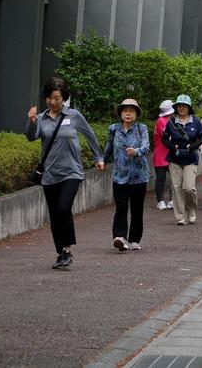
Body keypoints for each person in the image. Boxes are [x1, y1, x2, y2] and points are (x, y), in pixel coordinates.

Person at [25, 77, 105, 269]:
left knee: (63, 208)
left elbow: (90, 134)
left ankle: (67, 250)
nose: (53, 102)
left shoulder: (74, 115)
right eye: (50, 98)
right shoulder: (42, 118)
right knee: (54, 215)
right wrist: (31, 121)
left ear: (64, 98)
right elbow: (30, 137)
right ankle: (60, 252)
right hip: (50, 175)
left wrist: (98, 158)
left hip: (71, 173)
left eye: (57, 98)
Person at [104, 99, 150, 251]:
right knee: (121, 207)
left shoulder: (141, 128)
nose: (128, 113)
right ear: (120, 113)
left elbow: (146, 146)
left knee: (137, 209)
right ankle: (120, 237)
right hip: (120, 175)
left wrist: (136, 151)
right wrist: (102, 161)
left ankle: (135, 239)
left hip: (139, 176)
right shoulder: (113, 129)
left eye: (131, 111)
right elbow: (108, 148)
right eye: (125, 111)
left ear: (137, 114)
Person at [162, 95, 202, 225]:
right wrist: (171, 146)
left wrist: (193, 146)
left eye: (184, 106)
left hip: (190, 159)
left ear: (189, 108)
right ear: (176, 108)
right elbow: (164, 138)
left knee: (188, 188)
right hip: (174, 159)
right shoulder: (171, 122)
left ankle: (191, 210)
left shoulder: (196, 122)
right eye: (179, 106)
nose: (181, 108)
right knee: (176, 188)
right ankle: (180, 216)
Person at [153, 100, 174, 210]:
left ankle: (172, 200)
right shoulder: (161, 121)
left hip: (170, 154)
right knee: (161, 179)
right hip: (161, 155)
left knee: (174, 178)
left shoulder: (171, 121)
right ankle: (160, 200)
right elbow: (169, 137)